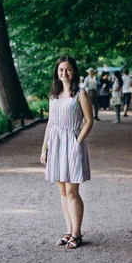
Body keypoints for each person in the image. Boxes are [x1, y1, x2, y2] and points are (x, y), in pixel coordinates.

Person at [40, 56, 93, 249]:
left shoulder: (81, 93)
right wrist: (44, 147)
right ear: (57, 72)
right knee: (62, 191)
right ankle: (69, 230)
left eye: (68, 69)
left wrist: (77, 142)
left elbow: (89, 120)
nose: (64, 73)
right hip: (55, 144)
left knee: (72, 191)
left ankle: (77, 234)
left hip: (72, 142)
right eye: (61, 70)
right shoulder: (53, 96)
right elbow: (51, 123)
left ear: (74, 72)